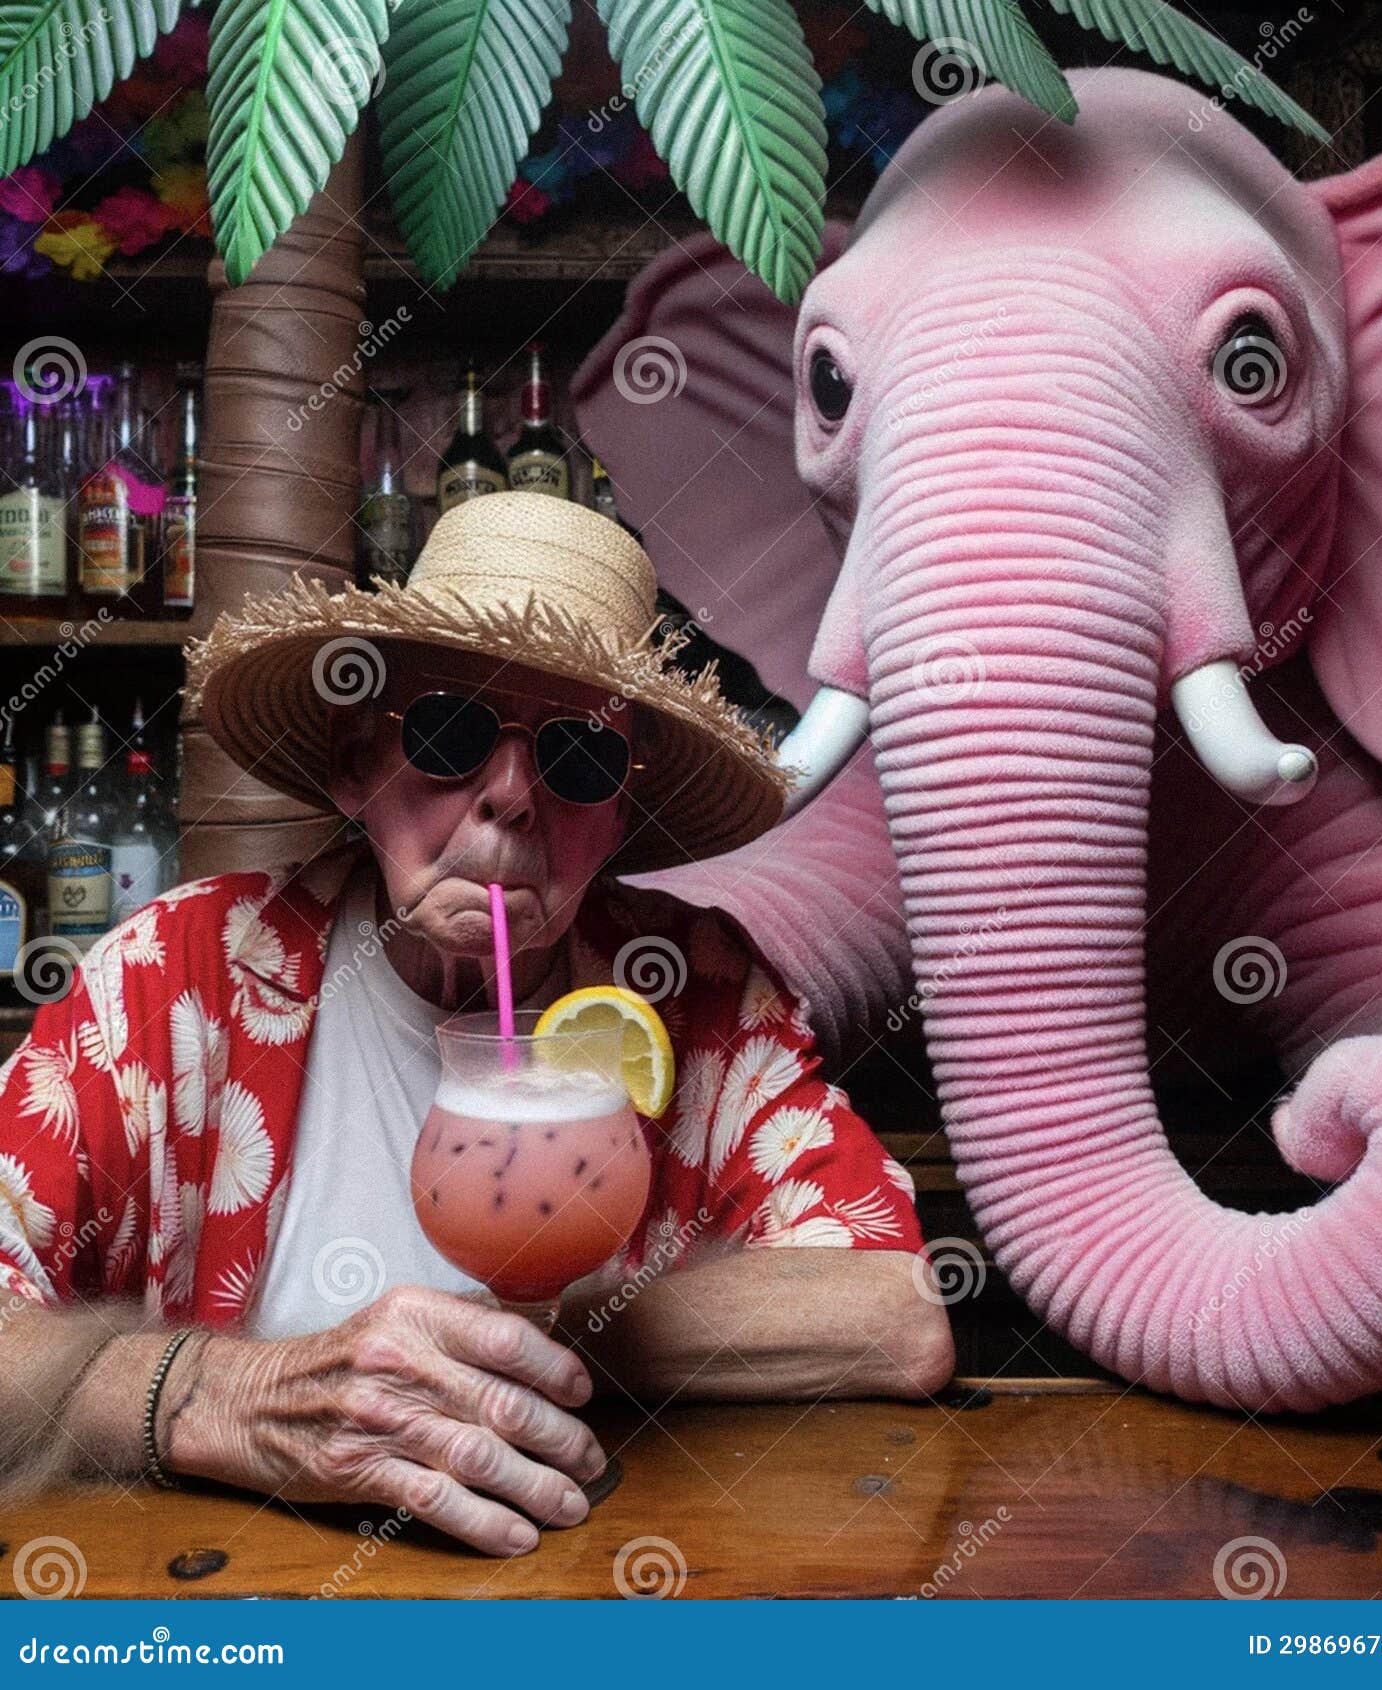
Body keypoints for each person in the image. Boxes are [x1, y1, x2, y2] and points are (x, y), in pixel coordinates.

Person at [0, 494, 953, 1556]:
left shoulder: (699, 993)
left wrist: (541, 1336)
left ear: (620, 818)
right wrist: (221, 1390)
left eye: (579, 757)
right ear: (356, 763)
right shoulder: (177, 979)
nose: (509, 795)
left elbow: (900, 1312)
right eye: (450, 730)